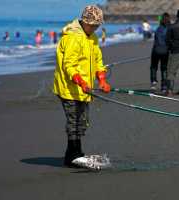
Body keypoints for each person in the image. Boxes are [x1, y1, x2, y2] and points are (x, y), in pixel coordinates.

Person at [53, 5, 111, 168]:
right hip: (68, 88)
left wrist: (102, 80)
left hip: (85, 88)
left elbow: (98, 60)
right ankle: (73, 155)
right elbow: (68, 65)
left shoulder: (92, 38)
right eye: (92, 25)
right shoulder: (73, 37)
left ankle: (75, 153)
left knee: (83, 121)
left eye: (97, 26)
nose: (94, 28)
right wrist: (81, 82)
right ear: (85, 22)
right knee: (74, 120)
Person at [150, 13, 171, 92]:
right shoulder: (170, 28)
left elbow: (156, 39)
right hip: (165, 51)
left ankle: (153, 82)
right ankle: (164, 86)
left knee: (153, 67)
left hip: (156, 50)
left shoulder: (158, 28)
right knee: (164, 68)